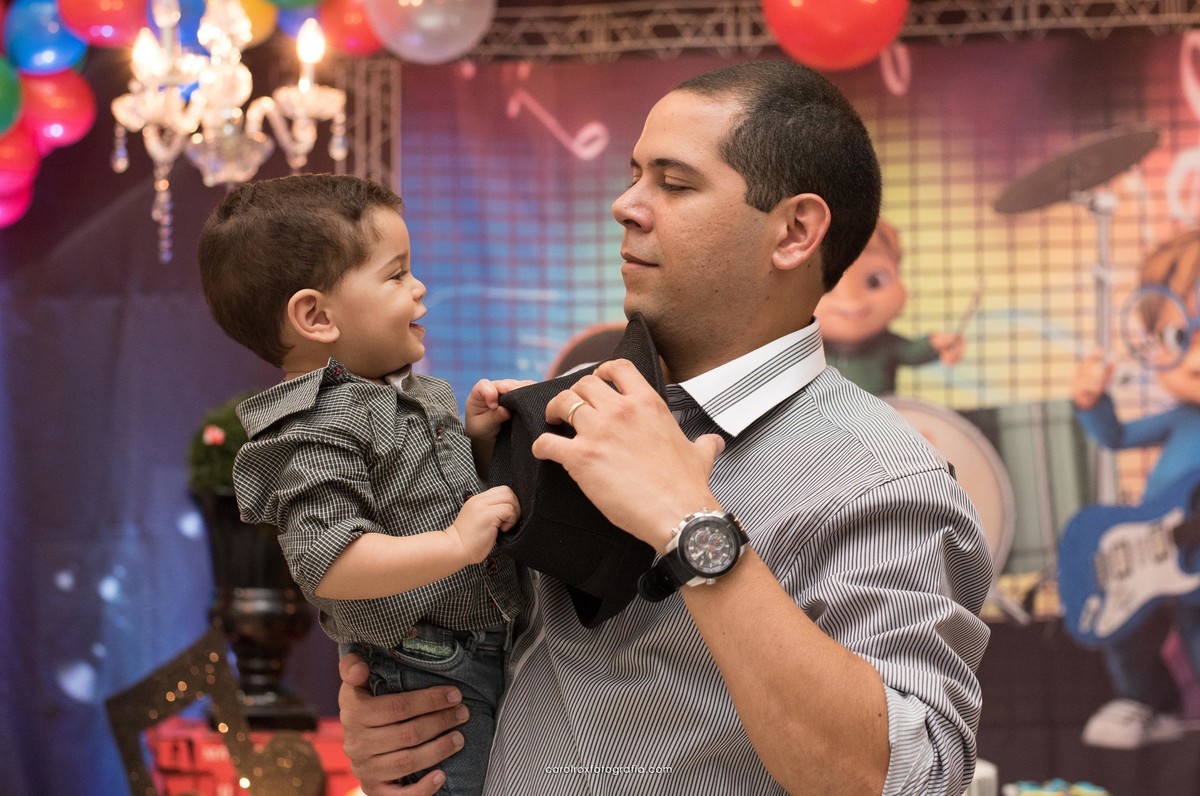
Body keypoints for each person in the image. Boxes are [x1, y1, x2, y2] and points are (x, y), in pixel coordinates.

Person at [337, 60, 993, 796]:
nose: (626, 204)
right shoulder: (556, 416)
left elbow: (911, 778)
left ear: (795, 232)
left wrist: (694, 529)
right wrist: (405, 725)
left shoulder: (880, 477)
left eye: (674, 184)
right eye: (634, 174)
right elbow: (496, 668)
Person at [198, 174, 527, 796]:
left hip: (478, 646)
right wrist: (458, 544)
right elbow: (330, 560)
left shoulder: (396, 395)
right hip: (424, 665)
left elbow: (434, 497)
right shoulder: (316, 421)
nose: (418, 286)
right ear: (316, 316)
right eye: (396, 274)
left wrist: (480, 441)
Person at [1070, 227, 1200, 750]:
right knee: (1122, 627)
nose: (1193, 359)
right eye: (1178, 338)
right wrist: (1089, 400)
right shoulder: (1180, 419)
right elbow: (1116, 436)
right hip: (1154, 555)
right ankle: (1146, 703)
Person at [814, 217, 965, 396]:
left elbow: (912, 352)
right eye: (829, 283)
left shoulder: (885, 345)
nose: (852, 302)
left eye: (875, 281)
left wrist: (938, 343)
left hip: (878, 416)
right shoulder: (812, 347)